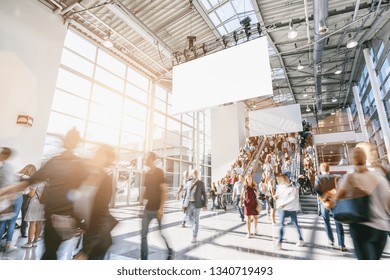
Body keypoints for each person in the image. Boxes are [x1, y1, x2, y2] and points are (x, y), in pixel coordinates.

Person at [0, 128, 89, 259]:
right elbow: (84, 193)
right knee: (52, 253)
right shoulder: (79, 164)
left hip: (54, 217)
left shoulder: (57, 161)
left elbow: (30, 181)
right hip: (65, 218)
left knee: (50, 253)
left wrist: (6, 191)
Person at [335, 147, 390, 260]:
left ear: (352, 160)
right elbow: (388, 204)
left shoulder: (350, 177)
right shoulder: (379, 176)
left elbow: (338, 198)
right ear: (365, 158)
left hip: (361, 229)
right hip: (381, 231)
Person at [74, 144, 118, 260]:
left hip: (98, 241)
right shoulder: (89, 176)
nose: (96, 155)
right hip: (89, 235)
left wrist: (86, 251)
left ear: (106, 159)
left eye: (100, 154)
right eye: (98, 153)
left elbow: (100, 216)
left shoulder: (105, 180)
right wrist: (80, 223)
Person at [140, 152, 173, 260]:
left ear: (151, 159)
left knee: (160, 233)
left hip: (157, 209)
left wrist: (161, 208)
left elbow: (164, 191)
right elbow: (146, 192)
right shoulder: (146, 174)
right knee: (143, 235)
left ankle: (169, 250)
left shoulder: (159, 172)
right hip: (147, 209)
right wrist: (141, 208)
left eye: (146, 158)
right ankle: (143, 259)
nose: (145, 160)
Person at [314, 162, 346, 252]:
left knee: (326, 221)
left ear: (321, 169)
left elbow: (316, 189)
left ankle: (331, 240)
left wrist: (324, 195)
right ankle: (342, 244)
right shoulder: (335, 177)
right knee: (338, 222)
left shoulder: (318, 178)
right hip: (335, 201)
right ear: (329, 169)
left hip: (324, 202)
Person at [274, 174, 304, 249]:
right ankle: (280, 242)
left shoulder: (293, 186)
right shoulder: (280, 186)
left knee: (295, 224)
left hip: (291, 208)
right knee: (281, 225)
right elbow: (278, 196)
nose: (284, 180)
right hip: (283, 209)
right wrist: (276, 197)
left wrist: (284, 203)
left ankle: (300, 240)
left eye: (285, 178)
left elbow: (294, 196)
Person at [0, 147, 21, 251]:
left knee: (3, 222)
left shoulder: (5, 167)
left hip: (6, 197)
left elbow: (6, 183)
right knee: (11, 222)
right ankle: (8, 245)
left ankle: (7, 244)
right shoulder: (7, 167)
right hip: (10, 197)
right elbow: (10, 183)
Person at [182, 168, 207, 243]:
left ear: (197, 175)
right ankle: (195, 226)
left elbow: (204, 194)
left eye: (195, 173)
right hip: (189, 204)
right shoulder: (189, 182)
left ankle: (194, 236)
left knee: (196, 220)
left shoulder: (200, 183)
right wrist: (183, 204)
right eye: (193, 173)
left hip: (197, 204)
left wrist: (205, 204)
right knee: (189, 218)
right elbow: (185, 193)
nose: (194, 175)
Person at [21, 181, 45, 248]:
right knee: (39, 222)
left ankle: (29, 243)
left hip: (35, 202)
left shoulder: (37, 182)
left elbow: (31, 194)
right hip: (44, 204)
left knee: (33, 223)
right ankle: (35, 241)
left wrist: (29, 189)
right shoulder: (48, 181)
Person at [17, 164, 37, 238]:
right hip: (25, 197)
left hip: (15, 196)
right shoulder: (31, 179)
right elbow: (31, 193)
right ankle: (23, 232)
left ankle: (6, 230)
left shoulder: (18, 175)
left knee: (13, 215)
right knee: (24, 215)